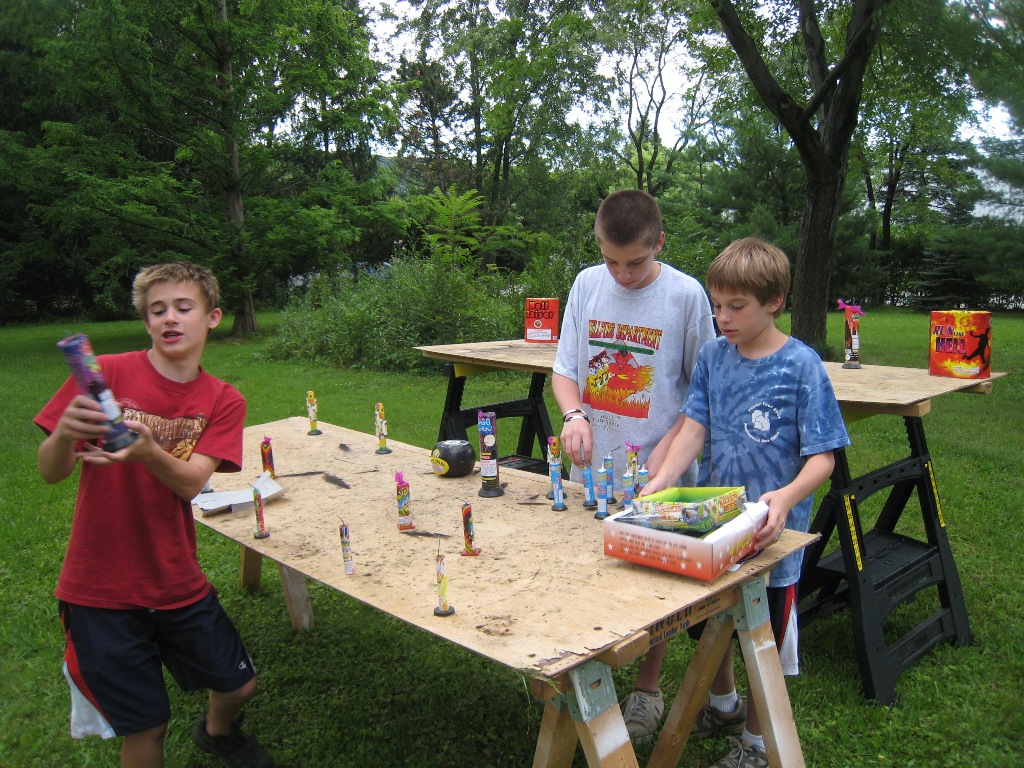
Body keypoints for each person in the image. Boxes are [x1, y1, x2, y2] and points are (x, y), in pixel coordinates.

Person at [35, 262, 275, 768]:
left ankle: (216, 732)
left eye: (183, 307)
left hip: (175, 577)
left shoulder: (223, 399)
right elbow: (50, 472)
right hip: (99, 588)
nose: (169, 318)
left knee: (240, 684)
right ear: (146, 323)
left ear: (212, 317)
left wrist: (147, 452)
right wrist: (62, 436)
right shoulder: (106, 374)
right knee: (146, 727)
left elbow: (190, 483)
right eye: (157, 310)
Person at [641, 238, 851, 768]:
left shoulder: (801, 366)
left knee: (764, 645)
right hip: (717, 524)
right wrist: (663, 478)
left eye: (736, 306)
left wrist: (786, 496)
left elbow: (823, 458)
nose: (723, 318)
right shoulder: (714, 356)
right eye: (717, 305)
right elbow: (694, 428)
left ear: (774, 301)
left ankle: (757, 741)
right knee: (710, 622)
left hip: (773, 538)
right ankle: (724, 705)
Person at [552, 189, 716, 740]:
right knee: (590, 574)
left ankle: (647, 689)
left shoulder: (686, 296)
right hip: (592, 472)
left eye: (636, 263)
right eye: (611, 261)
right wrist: (575, 414)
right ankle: (582, 670)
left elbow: (702, 391)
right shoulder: (586, 285)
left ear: (659, 243)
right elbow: (565, 370)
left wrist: (667, 455)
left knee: (653, 590)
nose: (622, 275)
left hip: (659, 474)